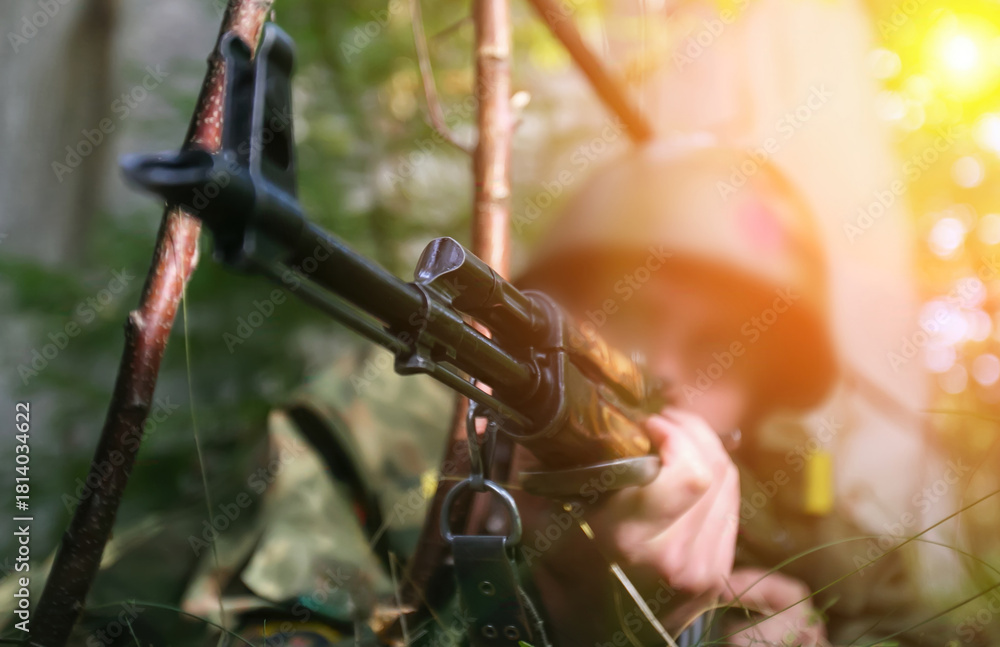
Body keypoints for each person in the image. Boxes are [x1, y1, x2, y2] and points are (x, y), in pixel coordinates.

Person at [182, 142, 954, 646]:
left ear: (765, 396)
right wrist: (568, 618)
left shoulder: (803, 512)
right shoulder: (396, 429)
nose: (665, 371)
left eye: (723, 348)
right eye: (622, 315)